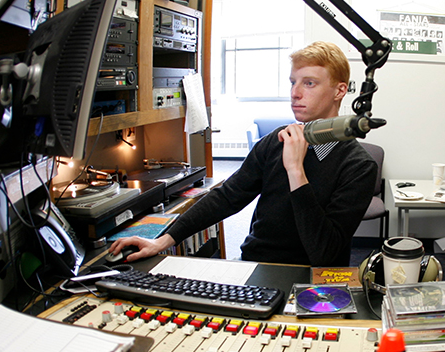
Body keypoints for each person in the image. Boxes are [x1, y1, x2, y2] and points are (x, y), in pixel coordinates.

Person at [109, 41, 377, 266]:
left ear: (340, 90)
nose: (295, 93)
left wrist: (296, 171)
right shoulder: (275, 141)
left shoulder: (358, 165)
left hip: (313, 278)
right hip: (256, 264)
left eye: (309, 83)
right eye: (293, 82)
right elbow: (228, 197)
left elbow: (325, 252)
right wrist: (163, 239)